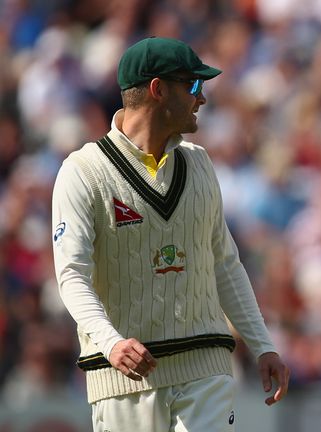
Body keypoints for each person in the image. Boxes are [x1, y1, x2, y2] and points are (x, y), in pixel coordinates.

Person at [51, 37, 290, 431]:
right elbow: (72, 275)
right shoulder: (83, 172)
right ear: (158, 90)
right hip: (124, 378)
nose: (203, 99)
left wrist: (263, 345)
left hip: (206, 366)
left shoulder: (199, 163)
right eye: (193, 86)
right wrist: (111, 343)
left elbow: (224, 263)